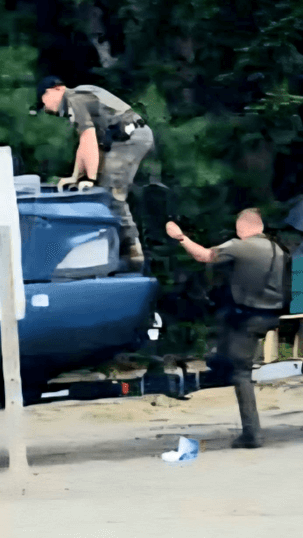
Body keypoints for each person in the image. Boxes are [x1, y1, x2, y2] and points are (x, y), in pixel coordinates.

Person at [166, 209, 285, 449]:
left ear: (242, 227)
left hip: (249, 318)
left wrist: (180, 237)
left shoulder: (241, 246)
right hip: (271, 315)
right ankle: (217, 364)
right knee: (224, 326)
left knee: (241, 373)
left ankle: (252, 434)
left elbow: (204, 256)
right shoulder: (277, 249)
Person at [35, 76, 154, 270]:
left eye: (43, 100)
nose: (46, 108)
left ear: (55, 90)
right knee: (102, 190)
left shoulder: (74, 98)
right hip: (121, 138)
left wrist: (89, 178)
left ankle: (131, 251)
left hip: (131, 137)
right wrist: (76, 176)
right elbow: (85, 145)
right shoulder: (80, 100)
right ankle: (114, 246)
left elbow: (88, 138)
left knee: (109, 191)